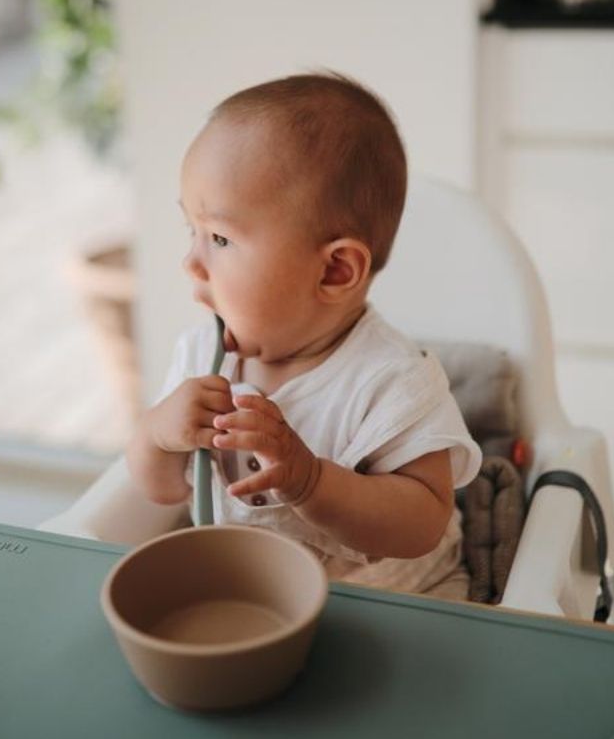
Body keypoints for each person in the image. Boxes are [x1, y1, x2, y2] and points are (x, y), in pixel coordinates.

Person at [126, 72, 482, 599]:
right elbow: (159, 490)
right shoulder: (200, 358)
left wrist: (311, 480)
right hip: (254, 595)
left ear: (335, 271)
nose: (191, 263)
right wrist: (158, 434)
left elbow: (423, 519)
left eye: (220, 238)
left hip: (391, 599)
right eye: (192, 232)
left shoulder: (391, 380)